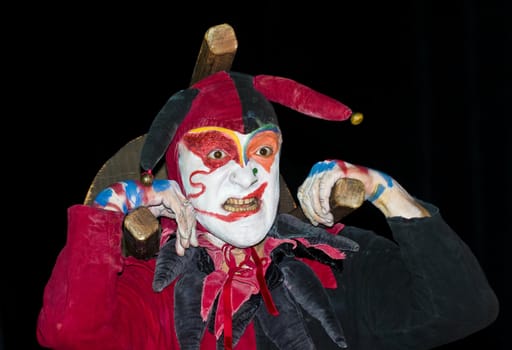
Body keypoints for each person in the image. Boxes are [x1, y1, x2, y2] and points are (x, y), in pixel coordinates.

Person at [37, 71, 498, 350]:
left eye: (261, 151)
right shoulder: (150, 286)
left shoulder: (334, 262)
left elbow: (463, 307)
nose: (246, 175)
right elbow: (69, 333)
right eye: (217, 155)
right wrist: (109, 206)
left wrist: (384, 190)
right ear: (177, 175)